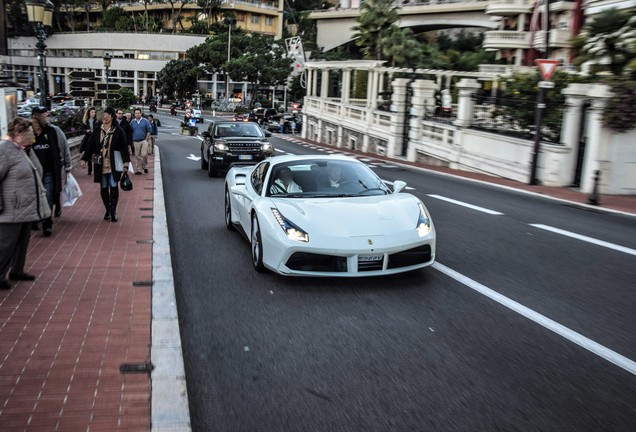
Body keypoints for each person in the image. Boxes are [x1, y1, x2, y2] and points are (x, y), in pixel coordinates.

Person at [0, 117, 52, 289]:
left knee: (22, 241)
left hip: (26, 206)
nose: (32, 134)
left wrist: (29, 150)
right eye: (29, 132)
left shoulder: (22, 149)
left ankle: (17, 269)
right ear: (17, 134)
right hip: (11, 207)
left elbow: (37, 169)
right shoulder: (5, 151)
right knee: (7, 243)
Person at [80, 106, 131, 222]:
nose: (104, 117)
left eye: (107, 115)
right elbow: (90, 146)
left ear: (112, 117)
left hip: (113, 164)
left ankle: (113, 211)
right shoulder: (98, 130)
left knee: (113, 186)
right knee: (103, 187)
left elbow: (123, 148)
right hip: (100, 164)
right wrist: (84, 159)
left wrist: (126, 163)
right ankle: (107, 209)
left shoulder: (118, 131)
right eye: (103, 115)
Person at [31, 106, 71, 236]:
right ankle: (35, 219)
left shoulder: (52, 131)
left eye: (47, 115)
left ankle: (47, 223)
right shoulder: (28, 133)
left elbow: (60, 148)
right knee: (35, 198)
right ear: (36, 117)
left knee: (47, 196)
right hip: (33, 172)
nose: (47, 118)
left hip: (48, 171)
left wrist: (63, 164)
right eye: (44, 116)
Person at [130, 108, 152, 174]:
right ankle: (139, 170)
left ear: (141, 113)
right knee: (137, 155)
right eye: (136, 113)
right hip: (136, 141)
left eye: (138, 113)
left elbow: (149, 130)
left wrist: (146, 139)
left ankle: (145, 167)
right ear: (134, 114)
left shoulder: (145, 121)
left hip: (144, 140)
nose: (137, 114)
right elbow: (131, 131)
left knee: (144, 154)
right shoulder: (132, 122)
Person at [80, 106, 99, 176]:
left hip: (96, 140)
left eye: (94, 112)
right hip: (88, 139)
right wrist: (86, 131)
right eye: (92, 112)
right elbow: (82, 130)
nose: (93, 113)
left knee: (96, 155)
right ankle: (90, 170)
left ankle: (97, 169)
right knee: (89, 155)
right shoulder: (85, 121)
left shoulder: (97, 121)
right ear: (89, 113)